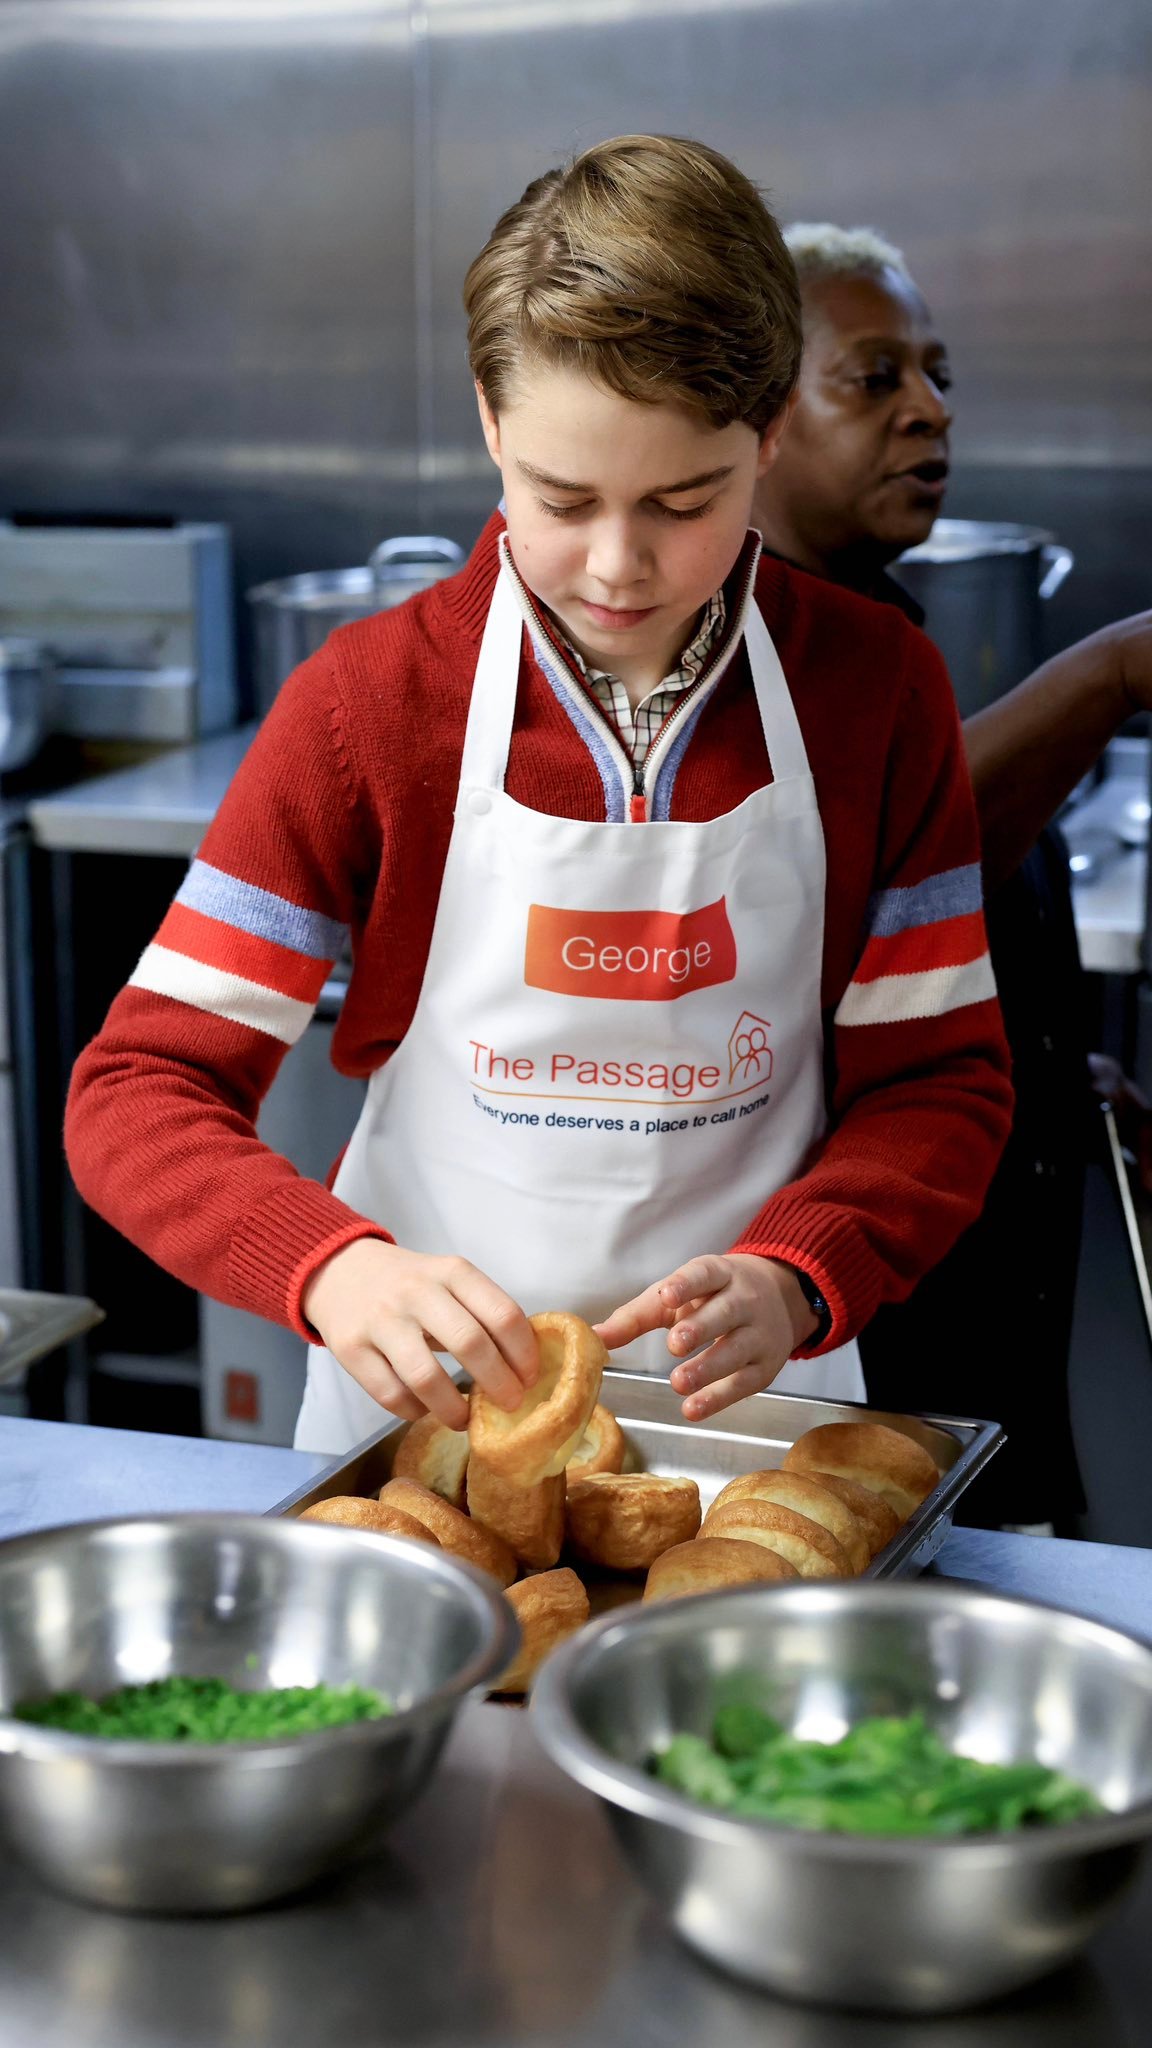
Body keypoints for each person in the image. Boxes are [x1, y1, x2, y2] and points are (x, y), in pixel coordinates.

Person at [64, 138, 1012, 1457]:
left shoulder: (877, 695)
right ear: (492, 421)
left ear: (770, 434)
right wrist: (334, 1270)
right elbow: (138, 1087)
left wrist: (802, 1273)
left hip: (748, 1421)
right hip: (424, 1429)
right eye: (562, 499)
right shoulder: (373, 706)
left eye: (685, 501)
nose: (619, 567)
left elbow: (945, 1083)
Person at [755, 223, 1152, 1529]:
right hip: (863, 1329)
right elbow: (889, 860)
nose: (929, 411)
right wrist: (1113, 673)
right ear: (754, 413)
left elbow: (934, 941)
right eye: (873, 378)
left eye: (936, 374)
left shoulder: (886, 639)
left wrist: (1047, 1067)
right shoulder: (732, 654)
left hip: (990, 1291)